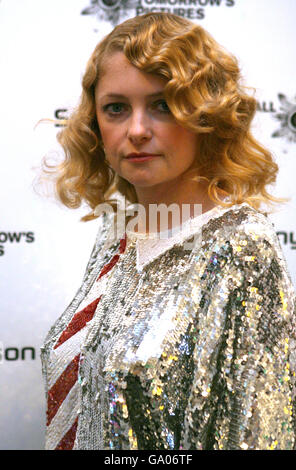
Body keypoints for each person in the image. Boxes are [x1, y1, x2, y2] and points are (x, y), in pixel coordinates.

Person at [40, 12, 296, 450]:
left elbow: (261, 435)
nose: (136, 130)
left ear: (206, 116)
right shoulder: (117, 231)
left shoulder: (240, 247)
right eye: (116, 108)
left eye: (162, 105)